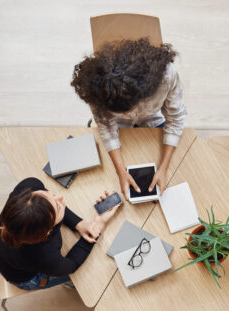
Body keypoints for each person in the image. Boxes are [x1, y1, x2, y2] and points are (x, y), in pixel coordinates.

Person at [71, 38, 187, 200]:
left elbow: (175, 120)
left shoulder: (166, 76)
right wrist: (121, 172)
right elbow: (106, 127)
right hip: (117, 126)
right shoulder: (98, 89)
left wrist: (163, 168)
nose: (128, 114)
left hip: (153, 120)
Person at [0, 177, 119, 290]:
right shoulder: (45, 257)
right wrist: (98, 226)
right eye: (57, 206)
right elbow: (71, 265)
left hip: (1, 256)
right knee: (87, 276)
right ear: (48, 231)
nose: (60, 197)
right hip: (24, 278)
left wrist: (78, 224)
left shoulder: (28, 187)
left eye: (49, 194)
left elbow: (46, 208)